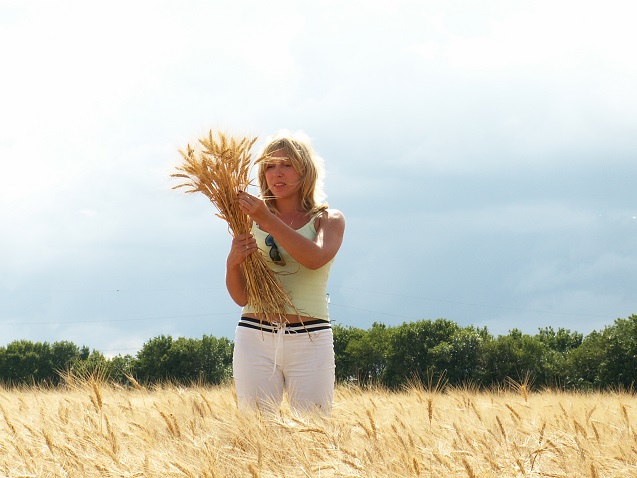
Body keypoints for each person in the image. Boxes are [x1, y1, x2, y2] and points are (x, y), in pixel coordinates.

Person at [225, 130, 346, 415]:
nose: (277, 173)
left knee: (314, 432)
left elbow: (314, 258)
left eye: (287, 165)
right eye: (270, 166)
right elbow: (242, 297)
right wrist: (232, 262)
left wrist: (267, 219)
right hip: (255, 337)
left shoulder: (328, 219)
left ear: (306, 172)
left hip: (310, 338)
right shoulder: (247, 220)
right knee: (255, 435)